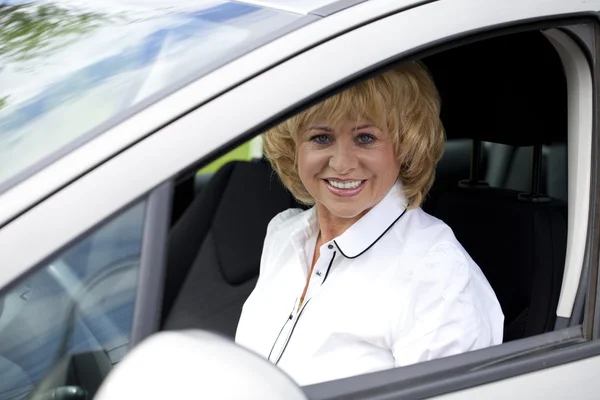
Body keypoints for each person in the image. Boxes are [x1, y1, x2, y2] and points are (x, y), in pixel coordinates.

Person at [235, 62, 503, 386]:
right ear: (294, 149)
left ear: (405, 146)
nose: (342, 163)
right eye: (321, 138)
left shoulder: (437, 274)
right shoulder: (285, 234)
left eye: (365, 137)